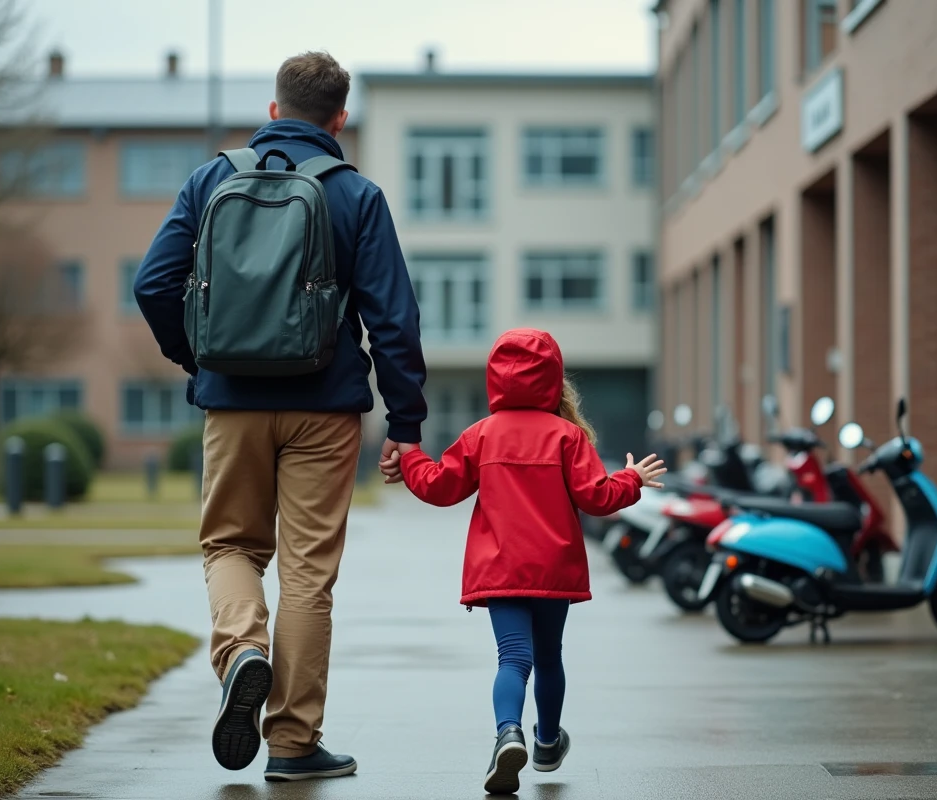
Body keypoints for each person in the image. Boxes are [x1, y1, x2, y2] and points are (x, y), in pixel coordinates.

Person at [135, 51, 426, 781]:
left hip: (231, 402)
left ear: (273, 111)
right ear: (340, 119)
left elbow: (152, 284)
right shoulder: (356, 195)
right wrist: (409, 424)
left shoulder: (212, 179)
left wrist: (197, 359)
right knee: (307, 576)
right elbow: (393, 321)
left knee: (230, 545)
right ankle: (294, 744)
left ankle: (244, 652)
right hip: (325, 409)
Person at [378, 328, 665, 794]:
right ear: (554, 379)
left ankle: (507, 732)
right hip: (553, 568)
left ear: (496, 377)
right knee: (549, 658)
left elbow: (439, 486)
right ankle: (547, 743)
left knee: (513, 658)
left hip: (501, 569)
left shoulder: (481, 435)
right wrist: (631, 478)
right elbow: (596, 498)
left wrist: (410, 456)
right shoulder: (568, 437)